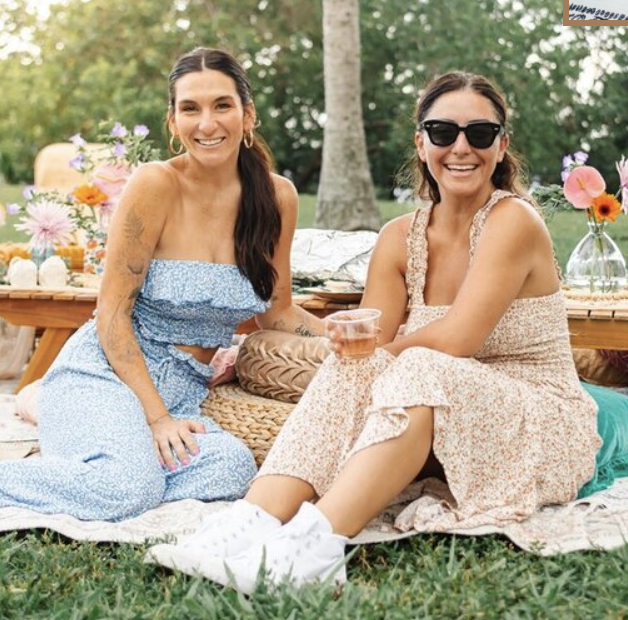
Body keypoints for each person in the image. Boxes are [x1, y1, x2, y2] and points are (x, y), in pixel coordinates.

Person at [147, 71, 612, 593]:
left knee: (414, 363)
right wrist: (349, 347)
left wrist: (375, 357)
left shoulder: (514, 221)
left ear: (501, 147)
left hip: (537, 421)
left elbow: (457, 339)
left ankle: (314, 549)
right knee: (358, 364)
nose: (461, 148)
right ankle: (250, 521)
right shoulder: (398, 238)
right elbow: (372, 345)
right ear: (421, 143)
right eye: (443, 132)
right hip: (443, 417)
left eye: (479, 134)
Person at [0, 47, 323, 522]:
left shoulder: (278, 197)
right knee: (129, 490)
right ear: (173, 122)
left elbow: (277, 312)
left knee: (232, 468)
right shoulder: (155, 184)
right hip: (105, 375)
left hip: (184, 391)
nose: (207, 123)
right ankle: (104, 465)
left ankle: (100, 468)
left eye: (222, 105)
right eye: (190, 108)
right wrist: (156, 418)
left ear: (248, 114)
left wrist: (344, 337)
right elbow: (112, 317)